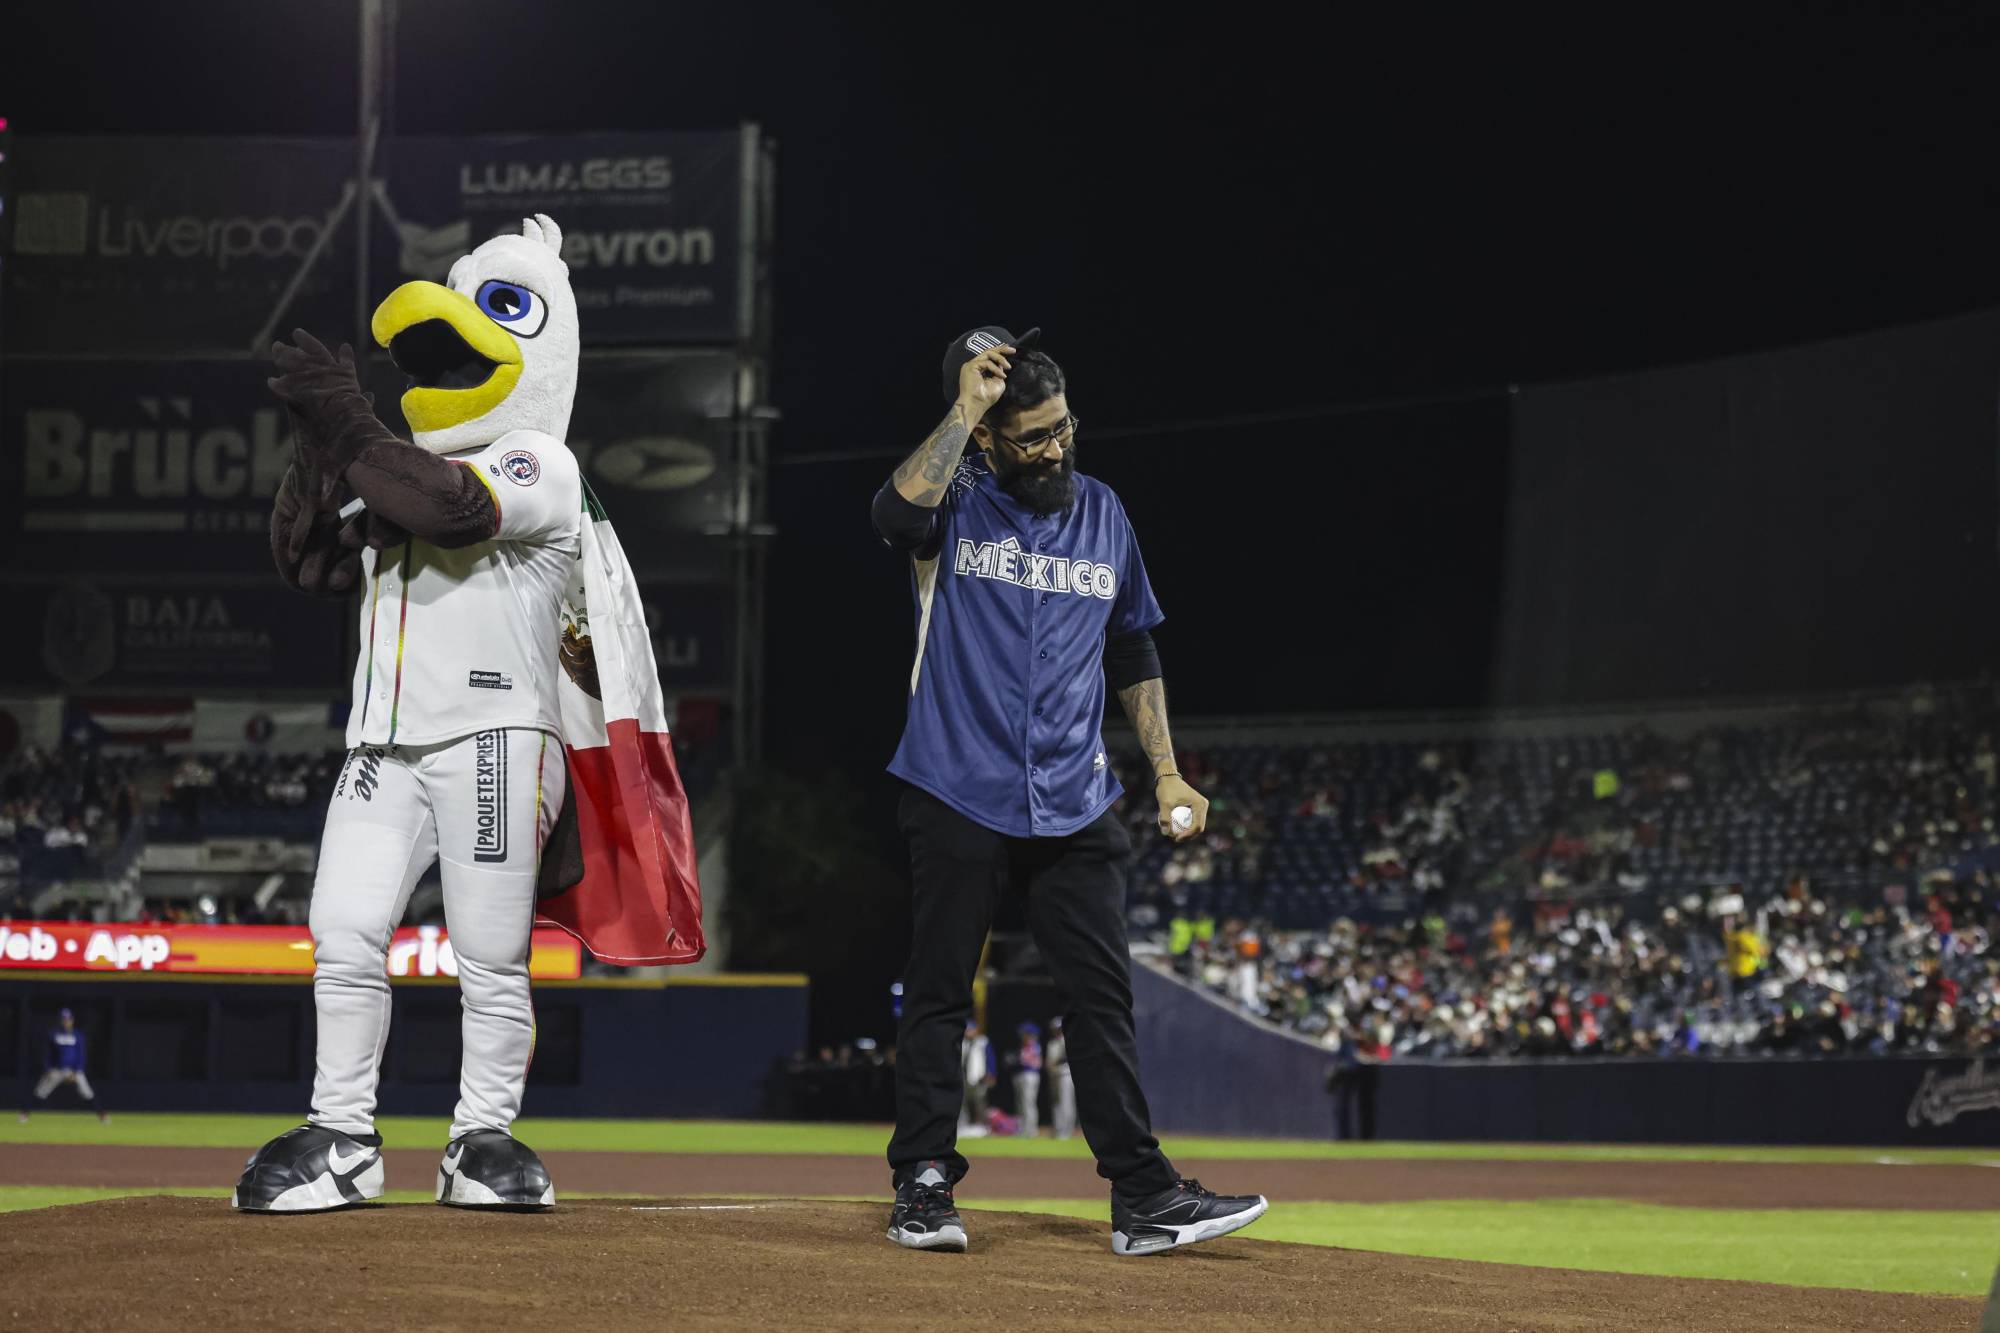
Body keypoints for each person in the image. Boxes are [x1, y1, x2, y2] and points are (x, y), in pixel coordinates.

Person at [231, 215, 701, 1214]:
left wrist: (351, 425)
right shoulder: (392, 465)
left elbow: (453, 508)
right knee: (344, 930)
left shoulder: (540, 459)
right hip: (382, 744)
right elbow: (310, 562)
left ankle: (480, 1137)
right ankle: (343, 1135)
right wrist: (321, 454)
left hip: (495, 737)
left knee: (487, 956)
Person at [872, 326, 1268, 1256]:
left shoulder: (1104, 512)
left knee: (1102, 999)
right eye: (1030, 436)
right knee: (938, 994)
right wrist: (963, 409)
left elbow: (1132, 642)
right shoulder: (952, 502)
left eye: (1062, 428)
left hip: (1076, 797)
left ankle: (1143, 1196)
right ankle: (924, 1183)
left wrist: (1167, 768)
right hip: (955, 782)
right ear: (986, 440)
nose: (1054, 448)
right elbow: (893, 516)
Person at [21, 1009, 107, 1123]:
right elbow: (47, 1054)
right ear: (60, 1020)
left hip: (74, 1071)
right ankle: (25, 1114)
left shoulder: (78, 1035)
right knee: (41, 1091)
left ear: (72, 1020)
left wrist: (77, 1071)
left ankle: (102, 1115)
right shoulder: (53, 1034)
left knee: (87, 1092)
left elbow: (81, 1055)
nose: (66, 1021)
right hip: (57, 1070)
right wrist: (48, 1069)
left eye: (68, 1019)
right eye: (64, 1019)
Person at [958, 1020, 991, 1138]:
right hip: (963, 1078)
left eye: (970, 1030)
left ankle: (983, 1127)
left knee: (980, 1102)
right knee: (962, 1103)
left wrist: (990, 1074)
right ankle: (963, 1125)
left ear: (976, 1030)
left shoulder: (983, 1041)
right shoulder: (962, 1042)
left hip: (978, 1077)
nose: (968, 1032)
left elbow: (990, 1059)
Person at [1046, 1015, 1077, 1140]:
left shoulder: (1067, 1041)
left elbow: (1067, 1057)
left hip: (1065, 1074)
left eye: (1058, 1028)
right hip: (1054, 1075)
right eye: (1054, 1028)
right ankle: (1058, 1129)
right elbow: (1049, 1061)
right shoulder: (1052, 1043)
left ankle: (1067, 1131)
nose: (1056, 1030)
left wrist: (1055, 1062)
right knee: (1056, 1103)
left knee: (1066, 1103)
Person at [1012, 1022, 1043, 1138]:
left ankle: (1031, 1130)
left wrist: (1020, 1059)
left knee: (1028, 1103)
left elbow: (1036, 1064)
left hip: (1030, 1075)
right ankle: (1023, 1129)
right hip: (1021, 1075)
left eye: (1025, 1034)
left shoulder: (1034, 1046)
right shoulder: (1023, 1047)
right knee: (1020, 1104)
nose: (1022, 1036)